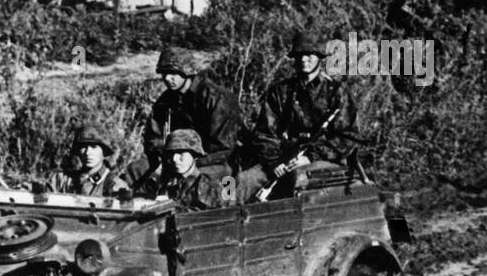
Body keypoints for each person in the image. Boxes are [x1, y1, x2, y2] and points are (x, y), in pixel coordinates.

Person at [249, 30, 360, 198]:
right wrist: (275, 161)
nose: (303, 59)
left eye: (309, 54)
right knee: (244, 180)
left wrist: (310, 157)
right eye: (299, 55)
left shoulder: (336, 92)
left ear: (320, 57)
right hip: (284, 159)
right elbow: (264, 133)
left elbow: (348, 137)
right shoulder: (280, 92)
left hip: (324, 161)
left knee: (297, 180)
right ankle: (221, 217)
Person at [147, 48, 240, 182]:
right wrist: (165, 159)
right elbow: (154, 137)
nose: (167, 78)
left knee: (218, 181)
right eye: (164, 73)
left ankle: (224, 200)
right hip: (176, 160)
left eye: (173, 72)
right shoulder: (166, 100)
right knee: (138, 168)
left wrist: (190, 164)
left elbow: (223, 147)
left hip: (217, 162)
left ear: (186, 71)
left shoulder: (216, 97)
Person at [46, 124, 130, 198]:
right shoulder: (62, 179)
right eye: (84, 147)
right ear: (78, 151)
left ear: (103, 151)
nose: (88, 152)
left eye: (94, 147)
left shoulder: (114, 185)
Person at [153, 129, 223, 211]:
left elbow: (216, 217)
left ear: (195, 154)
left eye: (181, 152)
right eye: (171, 153)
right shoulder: (170, 184)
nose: (174, 158)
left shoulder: (209, 185)